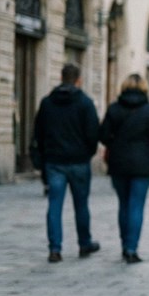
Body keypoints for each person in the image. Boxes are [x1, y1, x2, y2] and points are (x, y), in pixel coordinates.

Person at [32, 63, 102, 262]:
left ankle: (55, 249)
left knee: (54, 205)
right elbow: (92, 134)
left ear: (61, 78)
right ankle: (84, 244)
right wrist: (87, 153)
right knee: (81, 205)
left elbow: (39, 132)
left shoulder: (47, 102)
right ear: (78, 80)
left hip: (54, 161)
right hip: (79, 161)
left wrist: (43, 156)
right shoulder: (85, 103)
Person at [99, 74, 149, 263]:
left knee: (123, 204)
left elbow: (103, 135)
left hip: (118, 162)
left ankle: (124, 244)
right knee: (136, 205)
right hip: (143, 164)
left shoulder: (114, 109)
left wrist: (115, 143)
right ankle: (131, 247)